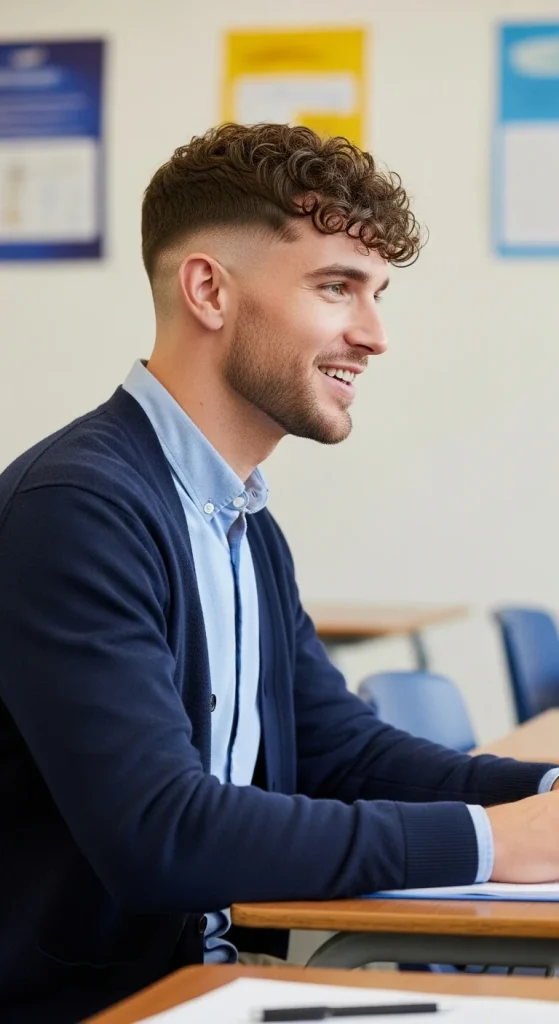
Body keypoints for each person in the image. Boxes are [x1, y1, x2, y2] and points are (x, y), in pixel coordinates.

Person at [0, 122, 558, 1024]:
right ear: (209, 290)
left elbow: (342, 750)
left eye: (376, 294)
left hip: (228, 976)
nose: (372, 335)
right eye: (337, 288)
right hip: (110, 1005)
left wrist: (537, 795)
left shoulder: (238, 516)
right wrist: (492, 842)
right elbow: (161, 832)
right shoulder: (76, 507)